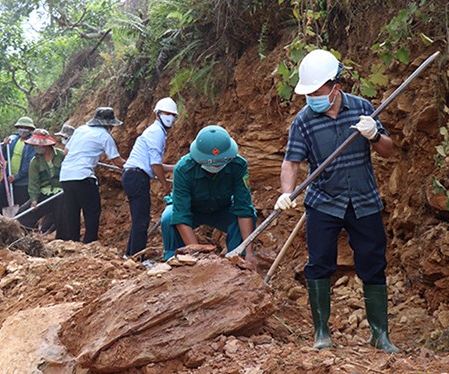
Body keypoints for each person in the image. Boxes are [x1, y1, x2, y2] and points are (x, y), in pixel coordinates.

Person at [274, 49, 399, 353]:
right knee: (319, 264)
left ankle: (380, 335)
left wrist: (373, 135)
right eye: (308, 94)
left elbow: (388, 149)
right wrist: (286, 192)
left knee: (373, 263)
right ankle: (321, 333)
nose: (311, 98)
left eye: (317, 92)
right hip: (323, 202)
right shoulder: (303, 121)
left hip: (364, 200)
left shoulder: (363, 108)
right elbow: (291, 163)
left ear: (335, 88)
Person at [160, 125, 257, 267]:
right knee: (168, 218)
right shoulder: (183, 169)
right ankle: (175, 260)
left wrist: (249, 252)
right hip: (193, 210)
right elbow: (181, 214)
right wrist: (198, 257)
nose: (216, 168)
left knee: (249, 214)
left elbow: (244, 207)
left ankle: (237, 259)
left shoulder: (238, 165)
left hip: (222, 210)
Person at [59, 107, 125, 243]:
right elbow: (118, 162)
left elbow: (65, 151)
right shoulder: (105, 136)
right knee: (92, 211)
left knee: (73, 212)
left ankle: (73, 243)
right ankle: (90, 243)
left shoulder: (80, 130)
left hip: (66, 175)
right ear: (108, 125)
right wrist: (135, 165)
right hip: (83, 175)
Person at [122, 97, 177, 257]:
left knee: (139, 218)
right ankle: (137, 257)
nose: (170, 117)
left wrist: (175, 167)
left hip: (133, 176)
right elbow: (155, 165)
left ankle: (130, 255)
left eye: (173, 114)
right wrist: (165, 185)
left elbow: (156, 164)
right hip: (137, 177)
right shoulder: (156, 132)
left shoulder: (156, 132)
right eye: (166, 113)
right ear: (157, 114)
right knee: (141, 220)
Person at [16, 129, 66, 238]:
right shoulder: (35, 161)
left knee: (63, 219)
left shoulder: (61, 155)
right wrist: (34, 199)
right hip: (44, 194)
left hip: (61, 193)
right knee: (23, 215)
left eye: (38, 145)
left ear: (46, 145)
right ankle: (23, 237)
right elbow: (34, 182)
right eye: (34, 146)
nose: (36, 148)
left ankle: (61, 240)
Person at [0, 116, 35, 213]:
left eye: (25, 127)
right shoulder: (14, 140)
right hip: (8, 179)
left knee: (21, 207)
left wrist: (17, 176)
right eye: (20, 127)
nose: (22, 130)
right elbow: (5, 156)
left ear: (30, 129)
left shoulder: (32, 144)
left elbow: (30, 163)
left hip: (22, 182)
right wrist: (5, 146)